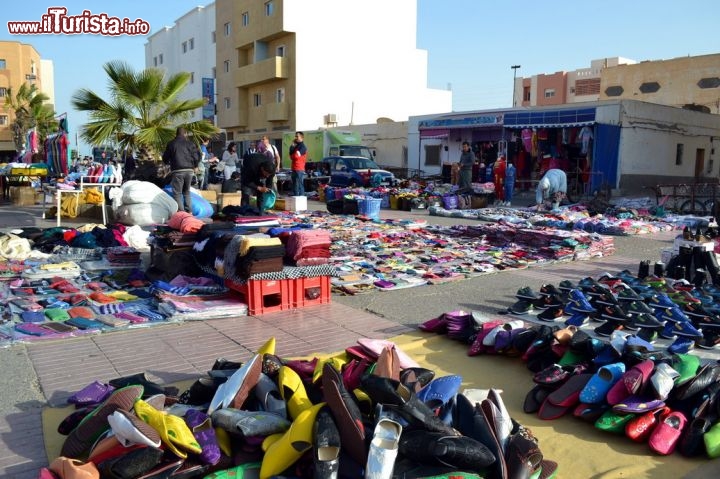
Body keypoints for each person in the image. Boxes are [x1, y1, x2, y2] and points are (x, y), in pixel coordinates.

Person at [162, 127, 201, 214]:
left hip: (177, 171)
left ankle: (182, 213)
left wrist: (168, 162)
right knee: (187, 192)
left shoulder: (171, 144)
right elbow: (197, 156)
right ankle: (189, 212)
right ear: (185, 134)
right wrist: (196, 165)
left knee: (177, 193)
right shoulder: (190, 143)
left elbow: (165, 158)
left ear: (176, 134)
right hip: (189, 171)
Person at [289, 131, 307, 196]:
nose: (295, 137)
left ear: (301, 137)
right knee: (294, 184)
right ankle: (296, 197)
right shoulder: (296, 146)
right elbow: (291, 155)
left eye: (297, 136)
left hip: (299, 168)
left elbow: (296, 156)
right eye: (295, 136)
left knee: (299, 184)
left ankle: (301, 198)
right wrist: (292, 145)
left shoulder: (303, 146)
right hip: (294, 168)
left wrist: (293, 155)